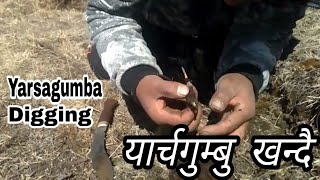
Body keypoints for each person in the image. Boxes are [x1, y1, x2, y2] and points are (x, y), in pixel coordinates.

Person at [85, 0, 307, 140]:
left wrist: (245, 72)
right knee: (101, 57)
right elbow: (109, 15)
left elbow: (272, 24)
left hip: (220, 38)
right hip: (154, 28)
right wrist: (138, 75)